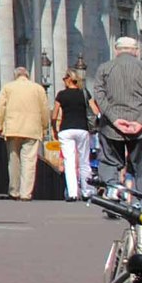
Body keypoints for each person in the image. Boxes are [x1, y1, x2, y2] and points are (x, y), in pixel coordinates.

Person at [91, 36, 142, 195]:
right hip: (139, 128)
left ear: (116, 50)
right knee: (140, 167)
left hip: (111, 126)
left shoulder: (104, 68)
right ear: (136, 51)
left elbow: (99, 97)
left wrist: (114, 119)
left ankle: (113, 193)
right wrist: (139, 121)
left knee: (110, 162)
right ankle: (140, 201)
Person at [0, 63, 54, 200]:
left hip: (12, 128)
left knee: (13, 161)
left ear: (15, 76)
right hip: (32, 129)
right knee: (29, 161)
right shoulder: (38, 88)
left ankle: (14, 190)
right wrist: (44, 126)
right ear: (27, 75)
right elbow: (45, 110)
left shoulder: (8, 88)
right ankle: (26, 193)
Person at [54, 68, 95, 199]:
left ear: (68, 79)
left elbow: (54, 115)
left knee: (69, 161)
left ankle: (72, 193)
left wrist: (55, 129)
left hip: (66, 129)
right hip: (82, 128)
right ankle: (86, 191)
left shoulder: (61, 95)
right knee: (84, 161)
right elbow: (94, 109)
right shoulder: (84, 93)